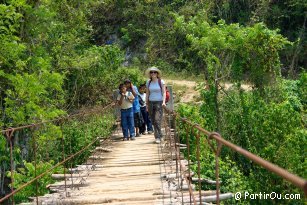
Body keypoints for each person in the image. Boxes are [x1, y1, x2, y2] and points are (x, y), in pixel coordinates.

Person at [145, 66, 166, 144]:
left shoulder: (161, 81)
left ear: (157, 73)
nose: (153, 73)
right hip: (150, 103)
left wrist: (163, 102)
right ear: (150, 74)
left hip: (159, 103)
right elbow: (147, 93)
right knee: (153, 121)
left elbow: (164, 92)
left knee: (157, 120)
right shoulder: (148, 82)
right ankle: (157, 136)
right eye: (151, 72)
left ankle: (160, 136)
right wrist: (146, 104)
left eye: (154, 72)